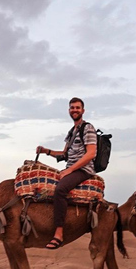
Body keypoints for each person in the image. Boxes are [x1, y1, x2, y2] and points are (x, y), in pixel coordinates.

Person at [36, 97, 97, 249]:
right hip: (71, 169)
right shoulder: (72, 132)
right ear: (69, 110)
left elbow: (91, 154)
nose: (74, 110)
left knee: (60, 189)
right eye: (72, 108)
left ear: (83, 110)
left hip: (83, 170)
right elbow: (64, 155)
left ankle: (59, 233)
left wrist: (70, 170)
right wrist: (46, 151)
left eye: (77, 108)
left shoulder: (88, 128)